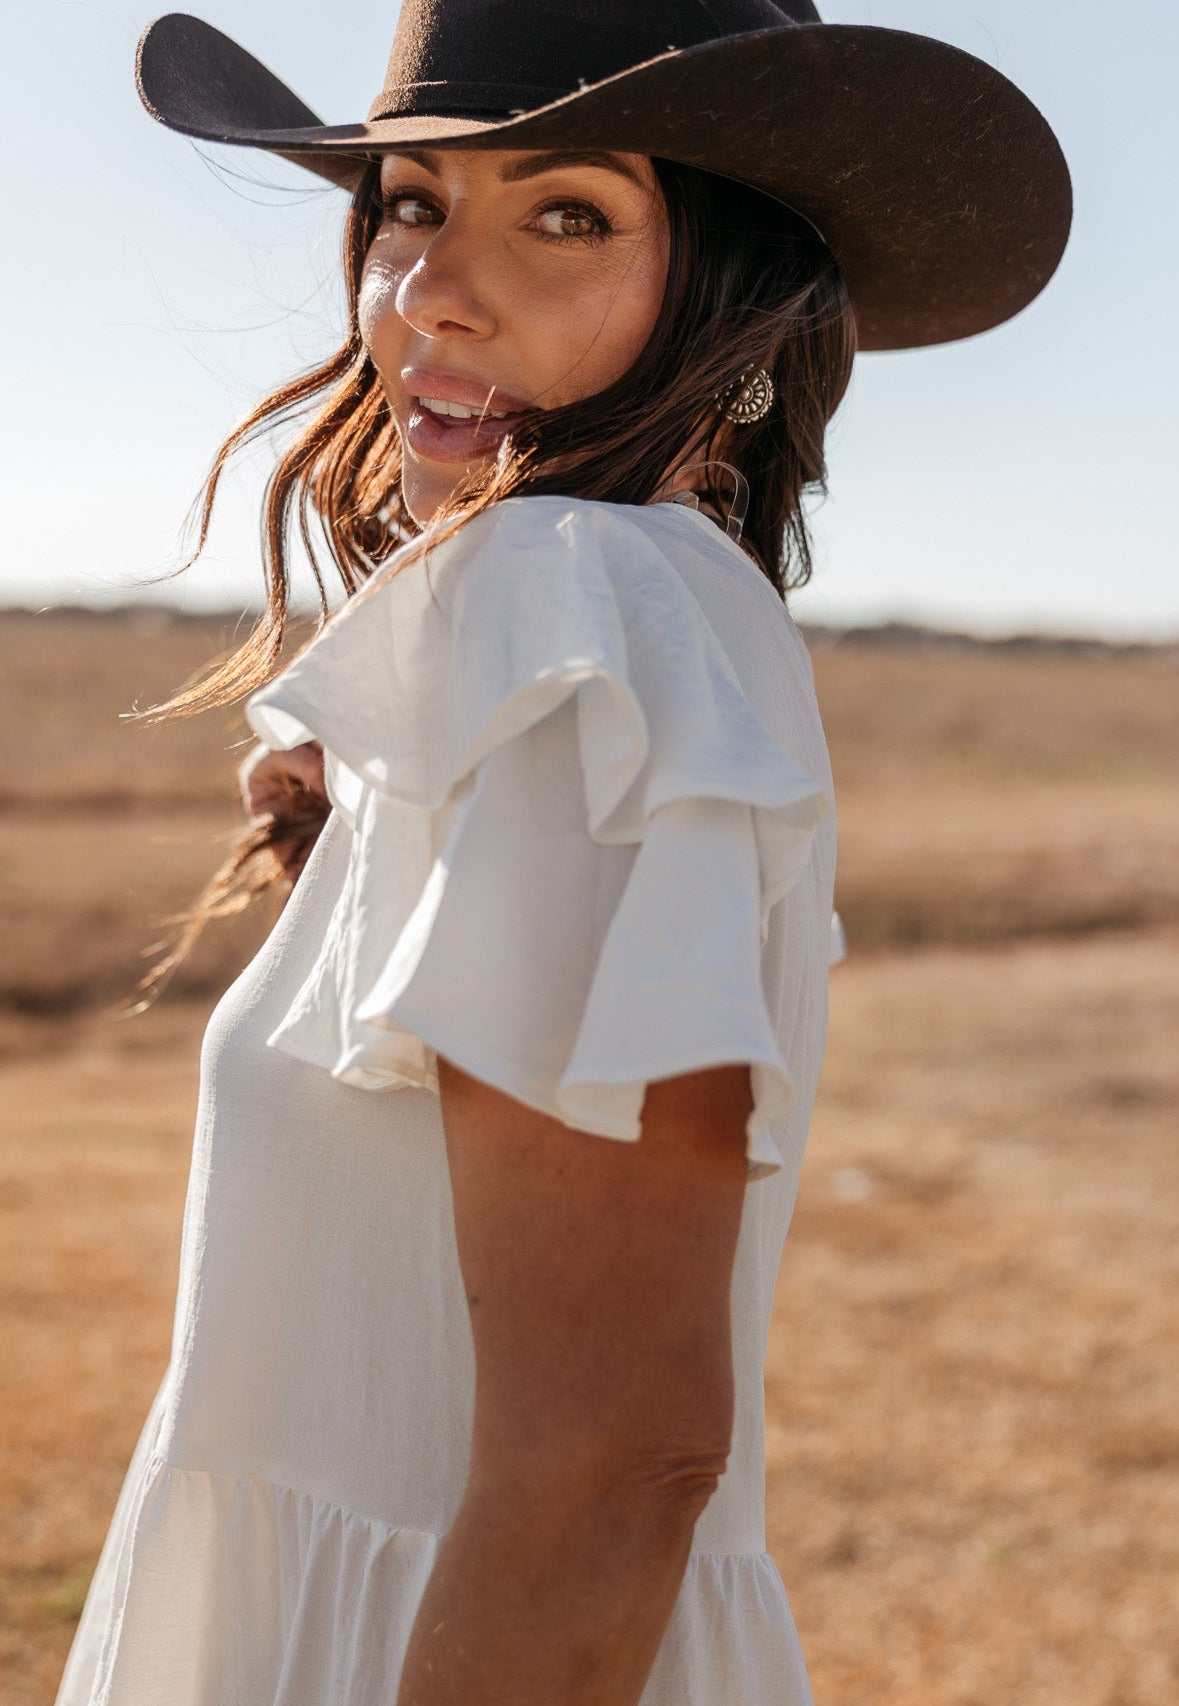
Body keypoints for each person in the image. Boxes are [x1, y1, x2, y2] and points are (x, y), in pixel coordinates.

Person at [56, 4, 1070, 1704]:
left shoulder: (578, 613)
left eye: (568, 213)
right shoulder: (590, 618)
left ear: (733, 290)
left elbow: (620, 1462)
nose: (436, 289)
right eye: (408, 203)